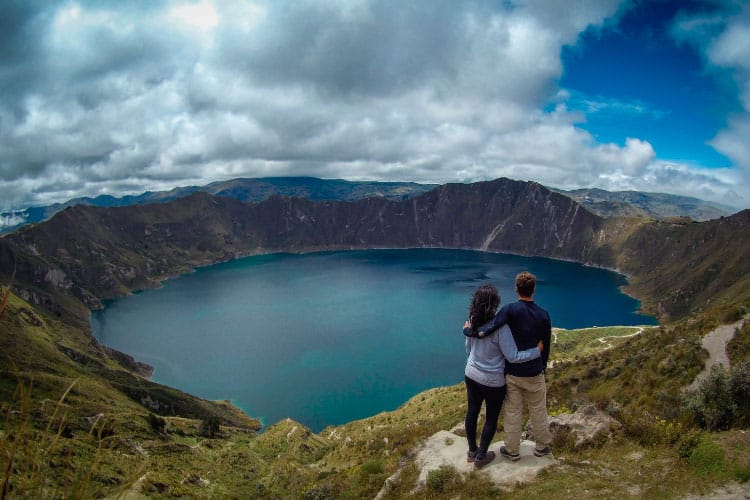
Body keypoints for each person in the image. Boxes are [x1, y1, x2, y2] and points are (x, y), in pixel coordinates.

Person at [464, 271, 553, 461]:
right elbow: (544, 347)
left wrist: (471, 332)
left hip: (510, 374)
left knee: (512, 412)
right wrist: (541, 364)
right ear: (534, 290)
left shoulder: (509, 311)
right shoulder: (544, 315)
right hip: (533, 373)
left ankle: (511, 451)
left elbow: (484, 333)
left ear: (516, 288)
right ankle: (542, 447)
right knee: (538, 409)